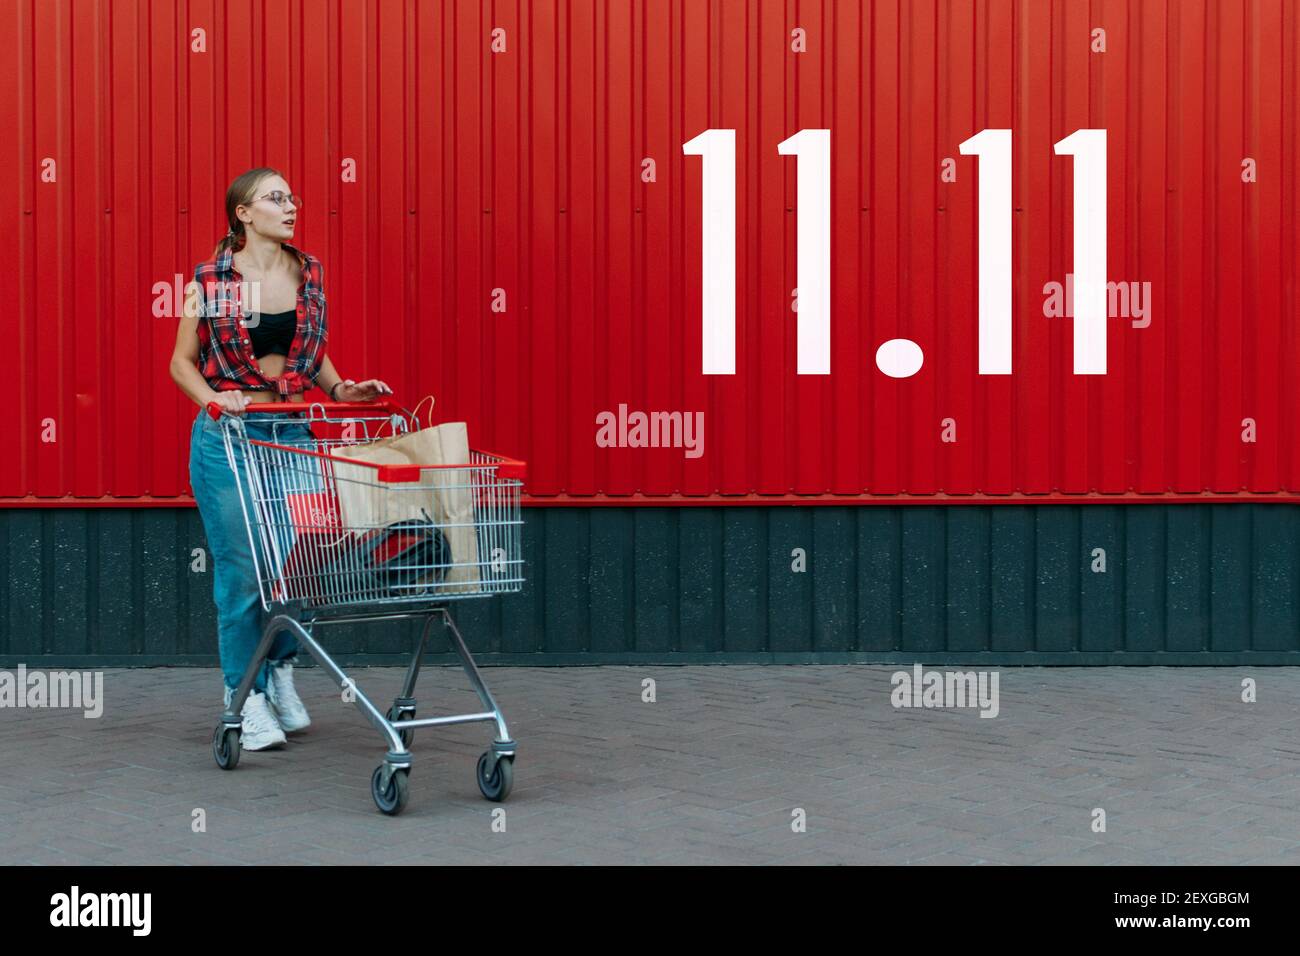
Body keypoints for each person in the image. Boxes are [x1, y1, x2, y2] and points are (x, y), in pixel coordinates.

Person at [170, 167, 391, 750]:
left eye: (292, 196)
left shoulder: (307, 272)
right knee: (243, 572)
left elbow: (307, 355)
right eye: (274, 198)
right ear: (243, 213)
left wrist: (343, 391)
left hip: (292, 432)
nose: (290, 206)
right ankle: (244, 696)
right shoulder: (210, 281)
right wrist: (214, 399)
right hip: (231, 440)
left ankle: (282, 671)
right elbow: (181, 363)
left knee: (300, 559)